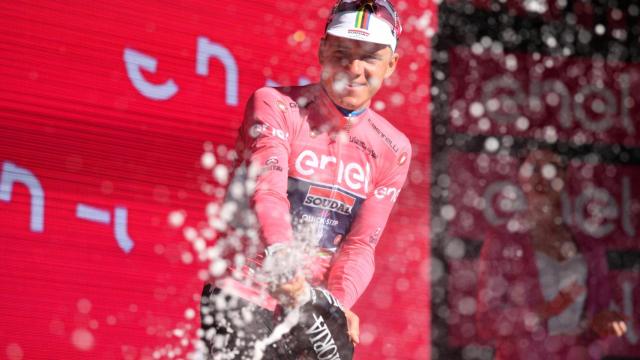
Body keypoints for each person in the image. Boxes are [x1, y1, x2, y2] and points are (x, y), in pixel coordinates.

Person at [200, 1, 410, 358]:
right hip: (244, 293)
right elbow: (268, 191)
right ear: (322, 49)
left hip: (310, 310)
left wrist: (337, 305)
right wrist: (284, 262)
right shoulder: (276, 105)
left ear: (392, 64)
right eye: (342, 51)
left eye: (371, 58)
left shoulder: (393, 148)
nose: (354, 68)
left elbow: (360, 246)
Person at [476, 149, 628, 360]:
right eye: (535, 168)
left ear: (564, 177)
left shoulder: (590, 246)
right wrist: (545, 311)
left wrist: (606, 327)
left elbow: (602, 317)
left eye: (552, 169)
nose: (543, 176)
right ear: (521, 175)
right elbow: (487, 323)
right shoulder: (503, 242)